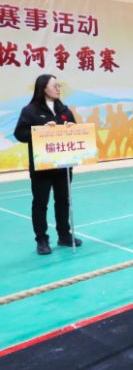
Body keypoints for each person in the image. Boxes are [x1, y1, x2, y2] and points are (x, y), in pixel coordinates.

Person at [13, 74, 82, 254]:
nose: (58, 88)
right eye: (54, 85)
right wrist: (40, 132)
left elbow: (76, 129)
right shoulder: (30, 111)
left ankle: (64, 235)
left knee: (63, 201)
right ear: (43, 88)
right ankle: (42, 240)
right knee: (40, 204)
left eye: (59, 85)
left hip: (63, 166)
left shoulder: (64, 110)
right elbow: (20, 134)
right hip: (42, 168)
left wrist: (71, 129)